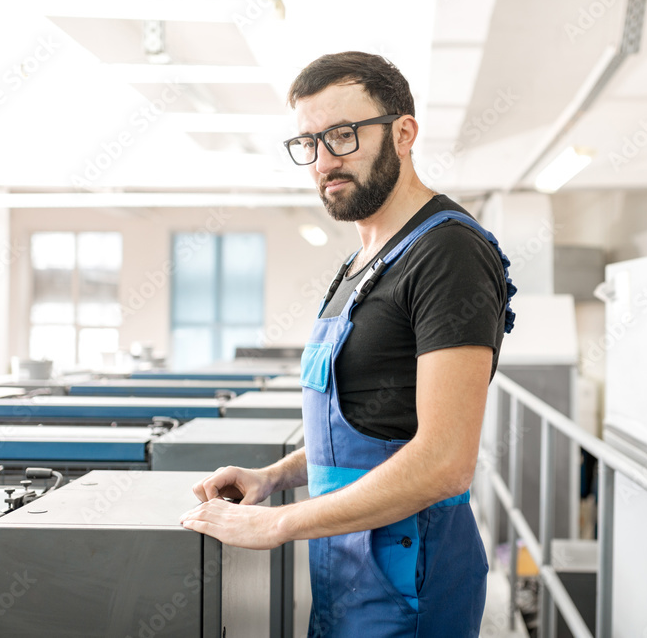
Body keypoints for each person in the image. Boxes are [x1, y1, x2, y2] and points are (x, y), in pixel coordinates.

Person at [180, 51, 516, 637]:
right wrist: (276, 477)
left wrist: (280, 526)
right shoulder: (361, 262)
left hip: (410, 573)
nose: (323, 161)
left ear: (404, 133)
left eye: (342, 135)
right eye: (308, 142)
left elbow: (444, 464)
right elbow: (372, 429)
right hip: (347, 563)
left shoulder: (448, 254)